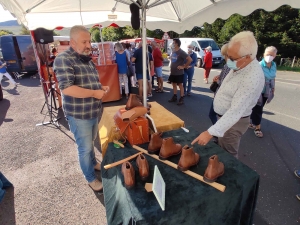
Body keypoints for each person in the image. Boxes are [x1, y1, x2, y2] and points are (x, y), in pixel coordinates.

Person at [192, 31, 265, 159]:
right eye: (228, 56)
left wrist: (210, 133)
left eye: (232, 58)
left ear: (248, 57)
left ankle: (228, 176)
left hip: (233, 123)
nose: (228, 61)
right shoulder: (242, 63)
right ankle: (219, 168)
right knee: (223, 150)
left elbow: (235, 112)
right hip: (226, 119)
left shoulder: (252, 77)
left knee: (228, 156)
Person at [54, 25, 110, 191]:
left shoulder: (85, 58)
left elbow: (89, 82)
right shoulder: (64, 59)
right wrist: (94, 93)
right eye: (84, 41)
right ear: (72, 42)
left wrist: (101, 88)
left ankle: (93, 163)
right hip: (79, 115)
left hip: (92, 112)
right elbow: (67, 88)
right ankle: (90, 178)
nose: (88, 45)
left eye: (89, 41)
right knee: (85, 148)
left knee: (90, 142)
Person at [249, 46, 277, 138]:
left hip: (267, 90)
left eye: (271, 55)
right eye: (267, 54)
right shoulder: (259, 65)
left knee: (257, 108)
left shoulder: (274, 65)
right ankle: (257, 127)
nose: (269, 56)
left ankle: (251, 121)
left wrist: (273, 87)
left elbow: (273, 77)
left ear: (275, 56)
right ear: (264, 55)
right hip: (258, 90)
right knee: (258, 109)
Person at [209, 43, 231, 125]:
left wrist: (217, 81)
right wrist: (219, 77)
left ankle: (218, 133)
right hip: (224, 96)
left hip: (221, 95)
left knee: (212, 114)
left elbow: (224, 83)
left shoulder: (228, 66)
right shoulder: (230, 65)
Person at [168, 39, 192, 105]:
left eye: (173, 43)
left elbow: (190, 59)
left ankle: (181, 98)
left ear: (177, 44)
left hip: (179, 72)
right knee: (174, 84)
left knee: (180, 85)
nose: (172, 44)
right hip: (173, 72)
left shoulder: (181, 52)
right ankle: (175, 96)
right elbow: (173, 59)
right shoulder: (173, 51)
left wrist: (183, 66)